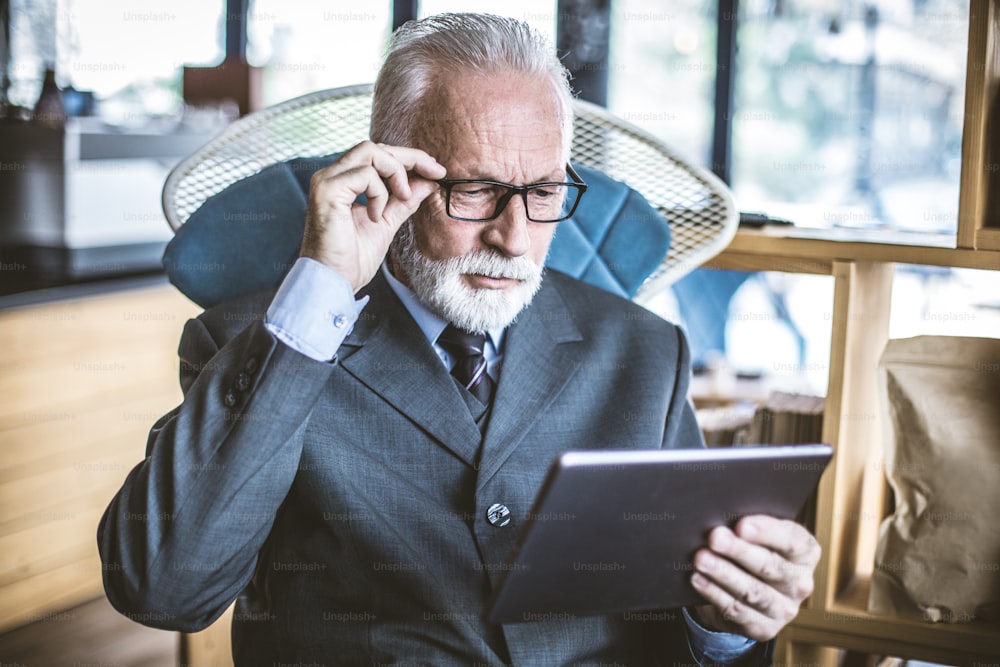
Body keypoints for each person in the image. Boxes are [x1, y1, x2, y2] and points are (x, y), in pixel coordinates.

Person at [98, 13, 820, 665]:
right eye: (474, 190)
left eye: (542, 192)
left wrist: (723, 619)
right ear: (392, 172)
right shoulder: (258, 341)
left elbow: (684, 617)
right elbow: (161, 589)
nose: (514, 238)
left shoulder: (644, 352)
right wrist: (321, 287)